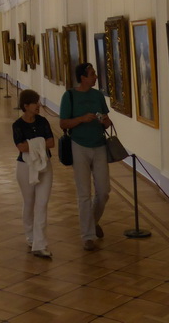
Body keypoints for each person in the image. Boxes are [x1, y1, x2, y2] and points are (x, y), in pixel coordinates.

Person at [59, 62, 112, 250]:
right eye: (92, 74)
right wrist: (81, 119)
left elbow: (107, 122)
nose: (95, 77)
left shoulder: (98, 96)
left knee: (104, 191)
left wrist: (104, 121)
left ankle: (93, 220)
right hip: (79, 146)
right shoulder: (70, 96)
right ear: (82, 77)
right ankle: (88, 236)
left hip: (99, 146)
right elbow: (63, 123)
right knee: (84, 194)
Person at [13, 89, 55, 258]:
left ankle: (40, 243)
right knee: (29, 202)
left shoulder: (43, 121)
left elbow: (51, 142)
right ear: (26, 105)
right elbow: (20, 147)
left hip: (45, 166)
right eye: (35, 103)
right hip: (25, 167)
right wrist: (39, 143)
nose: (38, 105)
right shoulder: (17, 125)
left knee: (42, 203)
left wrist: (32, 144)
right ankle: (30, 236)